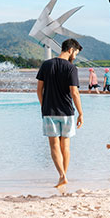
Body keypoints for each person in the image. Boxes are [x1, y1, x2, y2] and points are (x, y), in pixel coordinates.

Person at [36, 38, 84, 187]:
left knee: (54, 145)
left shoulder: (46, 65)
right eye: (75, 53)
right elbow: (74, 93)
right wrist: (81, 113)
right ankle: (64, 175)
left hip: (49, 111)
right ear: (70, 50)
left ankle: (62, 175)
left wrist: (44, 105)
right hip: (67, 112)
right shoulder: (71, 68)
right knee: (66, 146)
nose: (75, 56)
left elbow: (39, 90)